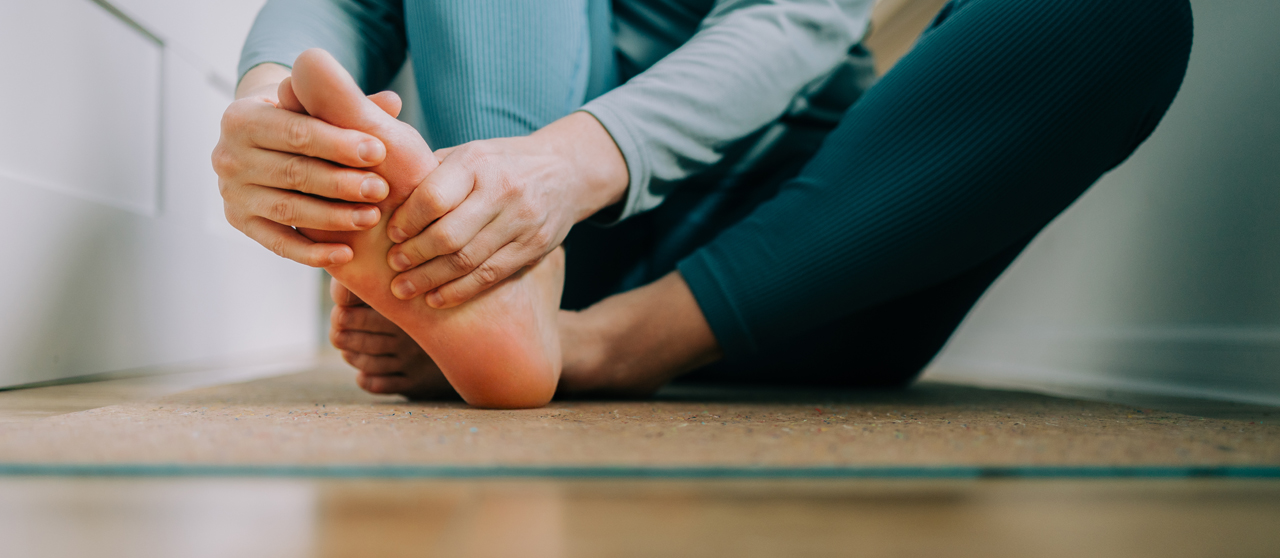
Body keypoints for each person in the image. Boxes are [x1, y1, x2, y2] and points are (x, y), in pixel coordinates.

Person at [213, 0, 1193, 407]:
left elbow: (791, 18)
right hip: (530, 231)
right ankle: (494, 282)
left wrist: (560, 168)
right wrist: (271, 107)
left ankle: (584, 341)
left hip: (800, 261)